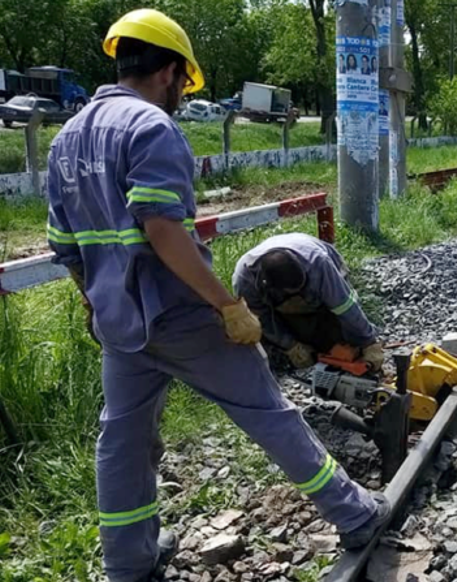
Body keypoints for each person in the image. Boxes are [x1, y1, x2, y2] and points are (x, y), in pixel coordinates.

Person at [45, 9, 390, 582]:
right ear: (171, 71)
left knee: (122, 442)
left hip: (120, 326)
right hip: (181, 313)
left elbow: (67, 248)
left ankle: (128, 565)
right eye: (184, 81)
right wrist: (226, 305)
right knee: (268, 411)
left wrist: (94, 302)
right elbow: (162, 228)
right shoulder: (150, 127)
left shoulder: (66, 140)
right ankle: (354, 513)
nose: (182, 92)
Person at [232, 233, 384, 371]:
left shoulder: (319, 265)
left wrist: (368, 342)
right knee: (264, 338)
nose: (298, 299)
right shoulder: (245, 280)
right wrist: (291, 346)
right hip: (271, 299)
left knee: (341, 340)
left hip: (320, 270)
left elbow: (344, 306)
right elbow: (261, 319)